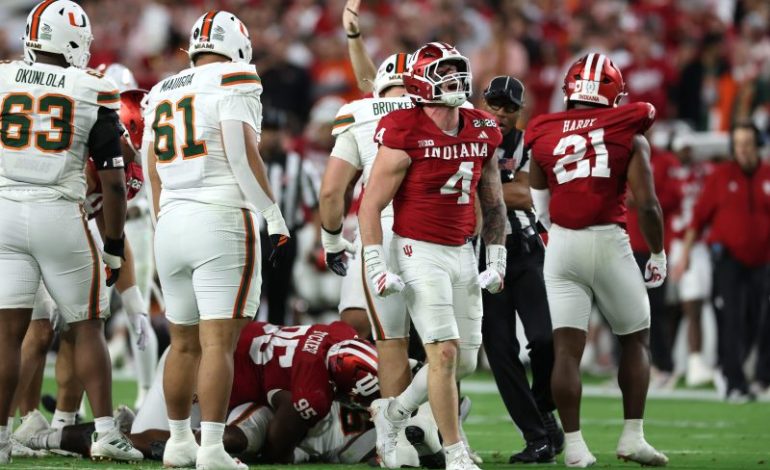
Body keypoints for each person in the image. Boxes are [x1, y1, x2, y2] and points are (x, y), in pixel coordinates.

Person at [142, 10, 290, 469]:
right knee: (217, 344)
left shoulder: (162, 88)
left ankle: (178, 442)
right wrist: (272, 214)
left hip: (171, 220)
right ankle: (210, 449)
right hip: (221, 216)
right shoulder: (235, 77)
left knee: (182, 343)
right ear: (238, 46)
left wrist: (162, 219)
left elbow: (151, 168)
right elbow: (240, 154)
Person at [0, 0, 142, 463]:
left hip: (4, 211)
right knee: (86, 326)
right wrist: (115, 244)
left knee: (7, 334)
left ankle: (1, 438)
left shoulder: (3, 77)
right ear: (74, 42)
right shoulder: (91, 88)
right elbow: (114, 182)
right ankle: (106, 432)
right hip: (57, 211)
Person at [359, 42, 506, 470]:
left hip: (463, 250)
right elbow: (370, 204)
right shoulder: (404, 128)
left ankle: (394, 412)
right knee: (442, 354)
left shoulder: (481, 127)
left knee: (466, 360)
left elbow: (493, 200)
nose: (456, 79)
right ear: (422, 82)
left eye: (458, 69)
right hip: (417, 250)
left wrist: (496, 256)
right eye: (445, 72)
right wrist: (375, 263)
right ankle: (455, 452)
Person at [527, 53, 668, 467]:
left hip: (562, 245)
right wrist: (657, 252)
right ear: (613, 94)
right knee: (635, 338)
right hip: (608, 241)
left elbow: (539, 201)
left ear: (570, 90)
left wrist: (553, 232)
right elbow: (648, 205)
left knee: (566, 351)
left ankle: (574, 447)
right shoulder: (629, 132)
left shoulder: (544, 130)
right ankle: (632, 437)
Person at [479, 76, 564, 463]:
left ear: (519, 112)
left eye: (509, 108)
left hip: (525, 249)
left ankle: (543, 405)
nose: (500, 113)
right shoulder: (465, 139)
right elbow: (512, 191)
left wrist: (482, 187)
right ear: (482, 104)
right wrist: (503, 189)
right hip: (481, 256)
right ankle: (537, 435)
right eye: (494, 105)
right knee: (500, 350)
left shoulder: (526, 143)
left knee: (545, 339)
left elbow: (527, 193)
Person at [320, 53, 414, 392]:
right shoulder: (440, 111)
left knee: (369, 332)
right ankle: (439, 416)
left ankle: (383, 417)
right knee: (443, 343)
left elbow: (331, 191)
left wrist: (331, 241)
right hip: (435, 232)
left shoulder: (359, 113)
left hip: (377, 231)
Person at [672, 121, 770, 402]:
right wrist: (685, 256)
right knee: (732, 320)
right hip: (728, 259)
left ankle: (754, 376)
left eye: (747, 144)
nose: (743, 149)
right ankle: (733, 381)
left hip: (762, 260)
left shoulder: (767, 174)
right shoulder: (721, 175)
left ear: (758, 145)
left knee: (758, 319)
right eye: (738, 144)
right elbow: (699, 218)